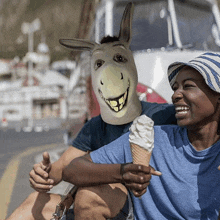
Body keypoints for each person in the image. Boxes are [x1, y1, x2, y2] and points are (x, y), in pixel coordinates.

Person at [6, 3, 176, 220]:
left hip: (142, 207)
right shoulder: (95, 127)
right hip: (105, 203)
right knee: (32, 205)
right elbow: (61, 168)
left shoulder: (160, 115)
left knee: (89, 196)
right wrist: (44, 174)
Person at [62, 52, 220, 220]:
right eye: (175, 88)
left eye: (188, 86)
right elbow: (72, 170)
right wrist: (122, 172)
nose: (176, 95)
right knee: (90, 196)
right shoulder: (151, 137)